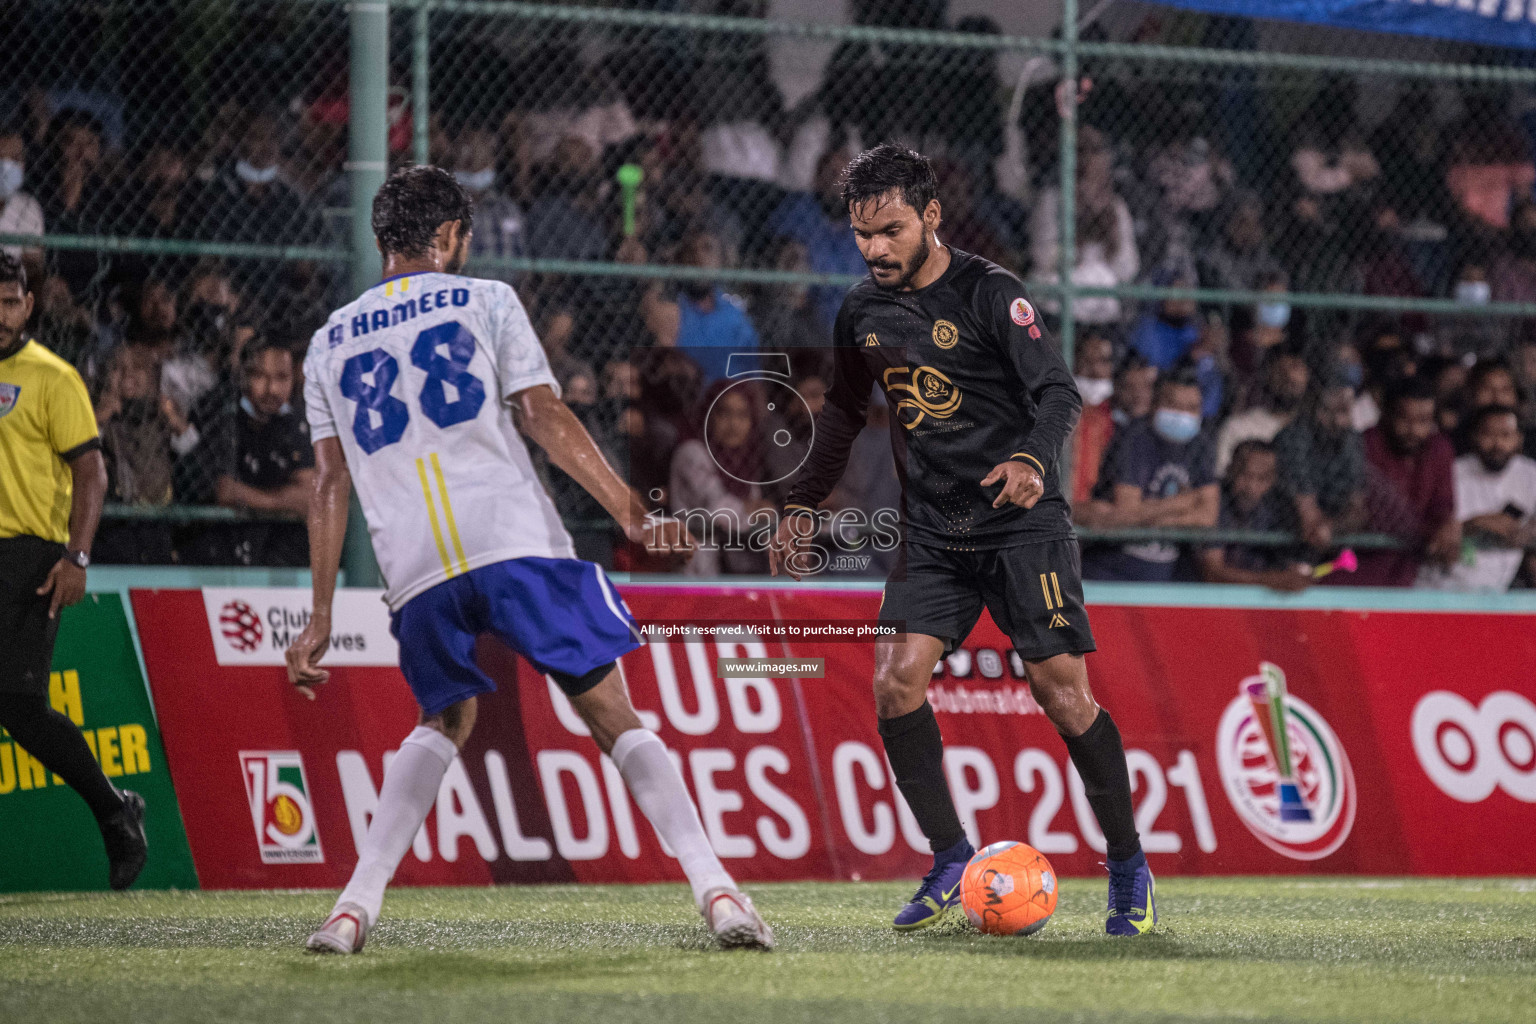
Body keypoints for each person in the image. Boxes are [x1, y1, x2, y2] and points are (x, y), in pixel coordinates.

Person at [289, 166, 771, 954]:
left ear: (382, 241)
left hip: (415, 569)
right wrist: (629, 510)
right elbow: (543, 415)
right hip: (511, 542)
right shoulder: (486, 300)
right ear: (450, 239)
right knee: (609, 710)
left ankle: (351, 910)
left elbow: (328, 483)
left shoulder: (325, 342)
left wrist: (316, 618)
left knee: (443, 718)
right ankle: (718, 892)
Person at [771, 145, 1154, 937]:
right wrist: (800, 502)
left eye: (891, 229)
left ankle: (1128, 867)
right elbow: (843, 413)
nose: (875, 248)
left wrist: (1027, 458)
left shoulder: (990, 293)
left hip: (1023, 527)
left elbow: (1058, 392)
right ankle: (951, 858)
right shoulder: (861, 312)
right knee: (894, 683)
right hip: (933, 532)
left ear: (932, 217)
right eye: (861, 233)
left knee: (1062, 694)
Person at [0, 252, 147, 889]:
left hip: (28, 556)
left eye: (10, 302)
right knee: (19, 708)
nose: (1, 315)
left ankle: (115, 812)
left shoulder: (52, 377)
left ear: (28, 306)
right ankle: (117, 810)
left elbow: (92, 471)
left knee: (21, 708)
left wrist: (76, 557)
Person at [1080, 372, 1220, 581]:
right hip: (1109, 571)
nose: (1183, 414)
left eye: (1192, 408)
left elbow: (1208, 517)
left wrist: (1142, 516)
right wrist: (1183, 503)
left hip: (1161, 577)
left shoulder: (1200, 445)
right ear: (1155, 404)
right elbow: (1126, 511)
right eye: (1174, 405)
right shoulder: (1133, 438)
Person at [1353, 377, 1460, 587]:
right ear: (1386, 415)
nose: (1413, 429)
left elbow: (1442, 505)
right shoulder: (1366, 445)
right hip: (1362, 563)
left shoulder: (1439, 448)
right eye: (1404, 419)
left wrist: (1447, 525)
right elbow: (1380, 516)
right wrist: (1434, 531)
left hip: (1413, 568)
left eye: (1423, 421)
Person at [1417, 406, 1536, 591]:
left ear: (1519, 439)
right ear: (1474, 436)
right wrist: (1476, 523)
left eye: (1506, 435)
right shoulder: (1453, 472)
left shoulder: (1530, 474)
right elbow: (1436, 534)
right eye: (1488, 435)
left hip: (1500, 594)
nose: (1497, 444)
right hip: (1444, 589)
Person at [1198, 440, 1310, 592]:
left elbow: (1286, 564)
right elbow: (1212, 573)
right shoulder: (1216, 502)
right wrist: (1268, 580)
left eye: (1262, 478)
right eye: (1244, 475)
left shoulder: (1276, 508)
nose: (1251, 487)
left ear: (1272, 480)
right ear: (1230, 471)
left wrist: (1294, 573)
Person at [1273, 375, 1367, 552]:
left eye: (1344, 411)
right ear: (1312, 408)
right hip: (1285, 542)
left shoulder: (1351, 439)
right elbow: (1309, 520)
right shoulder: (1293, 437)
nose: (1337, 421)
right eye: (1328, 411)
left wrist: (1331, 527)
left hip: (1335, 540)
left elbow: (1357, 510)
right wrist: (1324, 527)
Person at [1215, 346, 1310, 474]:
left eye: (1295, 367)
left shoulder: (1315, 428)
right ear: (1268, 376)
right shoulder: (1238, 427)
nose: (1289, 377)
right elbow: (1222, 473)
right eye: (1281, 372)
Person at [1069, 329, 1116, 505]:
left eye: (1103, 362)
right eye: (1087, 361)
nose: (1095, 370)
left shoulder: (1117, 415)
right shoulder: (1051, 407)